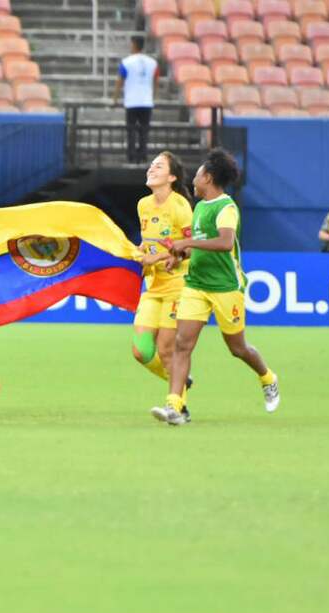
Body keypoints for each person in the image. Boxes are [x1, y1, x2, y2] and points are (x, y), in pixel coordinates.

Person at [151, 149, 280, 425]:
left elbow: (223, 243)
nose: (194, 179)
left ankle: (268, 378)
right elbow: (199, 245)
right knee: (182, 345)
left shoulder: (226, 207)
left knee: (238, 348)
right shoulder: (199, 207)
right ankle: (175, 406)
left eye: (197, 174)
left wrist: (186, 243)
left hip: (224, 287)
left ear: (207, 178)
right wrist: (180, 257)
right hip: (196, 284)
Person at [131, 152, 194, 418]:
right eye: (151, 165)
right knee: (141, 351)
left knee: (167, 348)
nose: (151, 168)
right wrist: (138, 253)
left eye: (158, 166)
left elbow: (190, 249)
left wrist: (156, 257)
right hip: (153, 286)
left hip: (177, 285)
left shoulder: (180, 206)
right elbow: (148, 243)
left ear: (171, 177)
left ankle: (178, 405)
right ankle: (182, 381)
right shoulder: (143, 205)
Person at [113, 35, 159, 164]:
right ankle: (143, 156)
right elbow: (156, 79)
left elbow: (119, 81)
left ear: (134, 45)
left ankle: (131, 156)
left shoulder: (126, 62)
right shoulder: (152, 62)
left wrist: (115, 98)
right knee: (144, 131)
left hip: (132, 102)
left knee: (131, 130)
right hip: (146, 102)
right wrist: (154, 96)